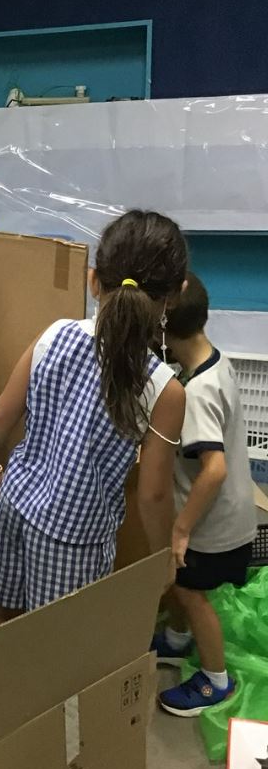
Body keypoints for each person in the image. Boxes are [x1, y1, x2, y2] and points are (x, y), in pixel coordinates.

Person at [0, 210, 188, 636]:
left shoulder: (55, 334)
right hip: (75, 537)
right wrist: (164, 554)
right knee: (58, 643)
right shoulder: (164, 388)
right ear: (175, 296)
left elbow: (0, 417)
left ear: (93, 280)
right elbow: (154, 493)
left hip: (16, 503)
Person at [153, 273, 256, 716]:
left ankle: (216, 681)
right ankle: (177, 640)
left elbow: (214, 470)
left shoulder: (197, 391)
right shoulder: (214, 361)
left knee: (192, 593)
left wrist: (180, 529)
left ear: (162, 328)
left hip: (213, 526)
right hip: (227, 513)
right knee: (181, 583)